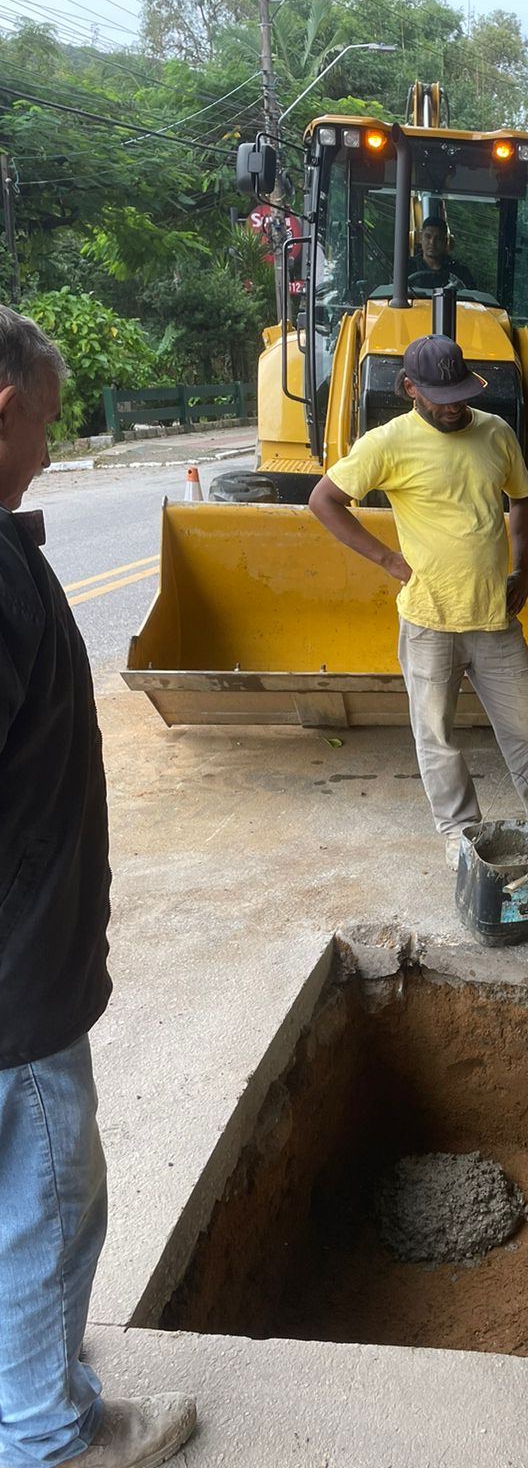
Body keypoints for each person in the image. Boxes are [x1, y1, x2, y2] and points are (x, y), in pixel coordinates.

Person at [0, 307, 197, 1467]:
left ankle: (32, 1381)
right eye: (52, 423)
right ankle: (50, 1431)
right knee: (52, 1205)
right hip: (16, 986)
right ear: (5, 407)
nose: (52, 450)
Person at [309, 333, 528, 867]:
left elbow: (521, 501)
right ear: (409, 389)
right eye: (439, 395)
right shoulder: (386, 443)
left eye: (460, 392)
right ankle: (460, 833)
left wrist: (525, 569)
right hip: (428, 621)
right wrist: (388, 562)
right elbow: (324, 499)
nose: (452, 405)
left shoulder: (496, 433)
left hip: (494, 617)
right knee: (437, 735)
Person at [407, 216, 473, 289]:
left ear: (445, 241)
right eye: (428, 237)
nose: (432, 242)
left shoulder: (460, 272)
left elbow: (471, 297)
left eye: (438, 238)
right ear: (420, 238)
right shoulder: (406, 268)